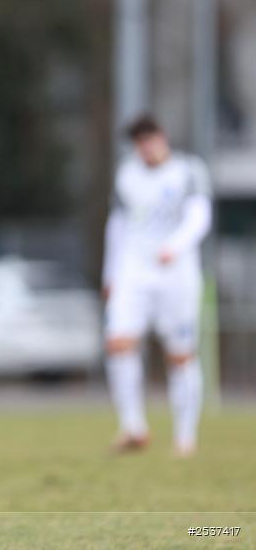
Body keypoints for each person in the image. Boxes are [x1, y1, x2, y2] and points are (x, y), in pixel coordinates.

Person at [102, 114, 212, 457]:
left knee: (180, 354)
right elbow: (117, 227)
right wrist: (111, 274)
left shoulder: (188, 171)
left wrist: (175, 247)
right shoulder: (127, 174)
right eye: (139, 141)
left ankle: (185, 436)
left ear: (161, 137)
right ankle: (133, 427)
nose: (145, 147)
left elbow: (199, 217)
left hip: (176, 274)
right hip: (134, 271)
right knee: (119, 342)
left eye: (149, 139)